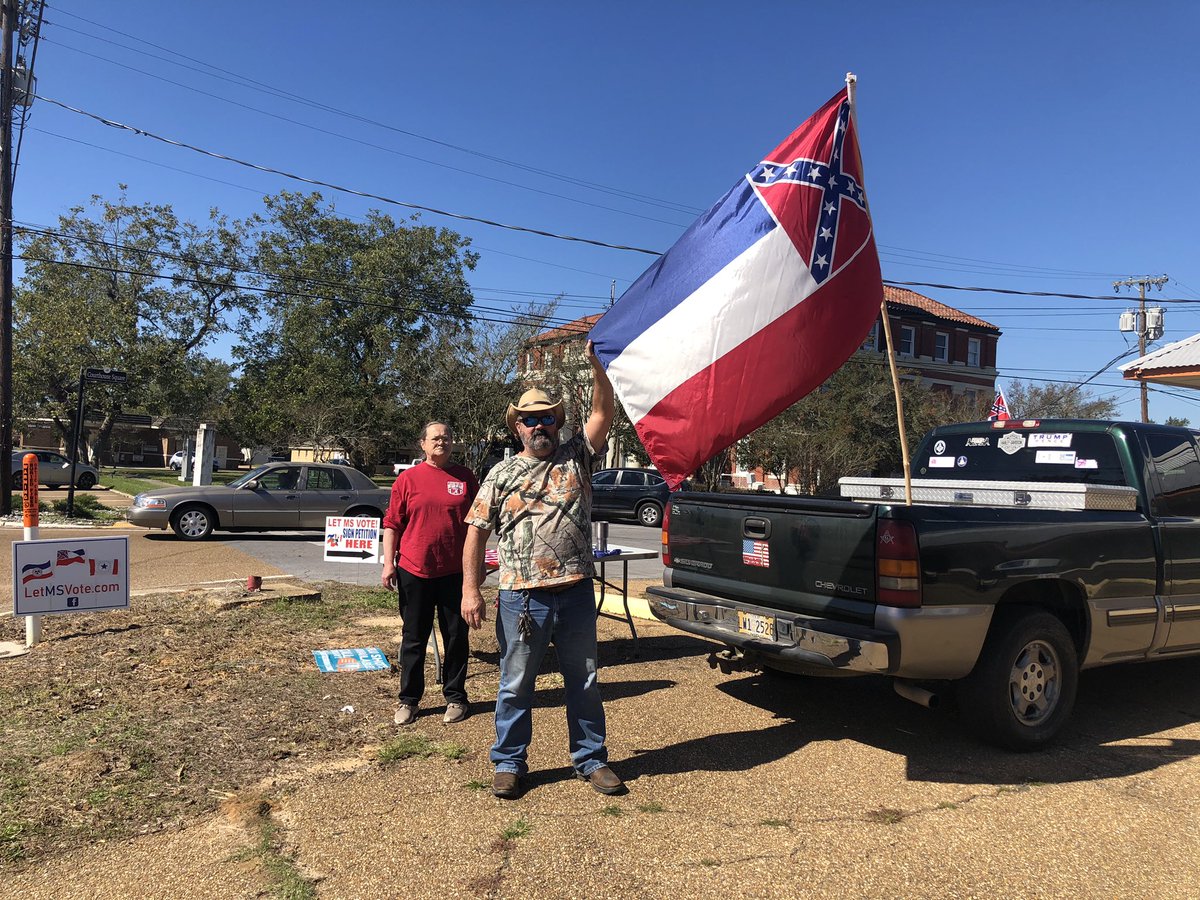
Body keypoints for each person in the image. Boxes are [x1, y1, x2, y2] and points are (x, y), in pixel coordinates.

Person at [462, 340, 621, 800]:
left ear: (558, 422)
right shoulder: (501, 474)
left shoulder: (577, 457)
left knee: (585, 681)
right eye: (530, 419)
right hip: (520, 598)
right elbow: (475, 533)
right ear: (518, 427)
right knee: (514, 684)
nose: (539, 425)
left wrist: (598, 367)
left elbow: (603, 413)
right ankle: (509, 761)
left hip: (573, 594)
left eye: (547, 417)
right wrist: (470, 590)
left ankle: (591, 759)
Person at [382, 421, 479, 726]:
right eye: (435, 438)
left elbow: (479, 524)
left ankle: (455, 698)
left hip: (455, 573)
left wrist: (476, 571)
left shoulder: (465, 478)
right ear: (422, 444)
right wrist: (388, 564)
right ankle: (409, 701)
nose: (442, 442)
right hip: (414, 570)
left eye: (447, 438)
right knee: (414, 638)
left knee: (455, 637)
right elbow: (392, 525)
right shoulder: (408, 480)